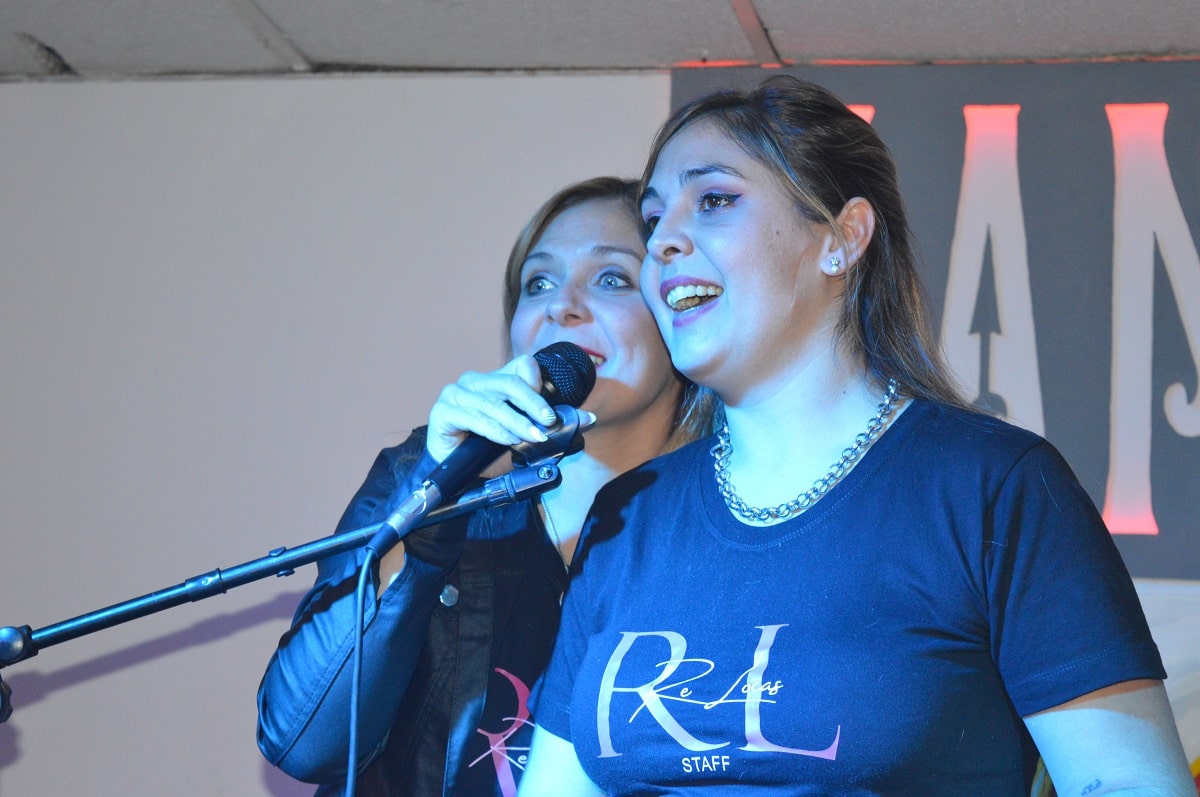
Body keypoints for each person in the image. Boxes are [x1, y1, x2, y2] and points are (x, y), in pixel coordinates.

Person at [520, 76, 1195, 795]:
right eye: (654, 219)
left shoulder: (991, 487)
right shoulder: (630, 517)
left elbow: (1128, 782)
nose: (663, 243)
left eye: (713, 200)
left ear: (842, 238)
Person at [256, 176, 717, 796]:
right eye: (538, 283)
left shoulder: (735, 518)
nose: (562, 306)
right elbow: (303, 741)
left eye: (612, 279)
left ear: (681, 310)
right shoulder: (427, 473)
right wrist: (430, 505)